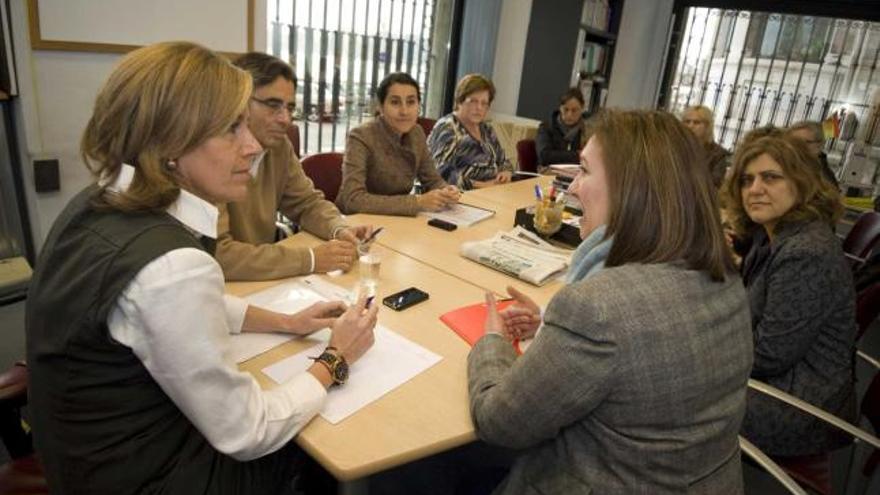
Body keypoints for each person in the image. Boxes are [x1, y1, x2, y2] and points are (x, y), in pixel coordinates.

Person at [25, 42, 378, 494]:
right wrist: (337, 358)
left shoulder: (98, 201)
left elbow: (162, 311)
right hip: (148, 478)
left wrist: (284, 321)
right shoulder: (174, 267)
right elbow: (248, 430)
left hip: (83, 457)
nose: (252, 146)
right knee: (324, 451)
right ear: (171, 139)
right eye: (232, 129)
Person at [468, 110, 753, 494]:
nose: (570, 189)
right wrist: (555, 331)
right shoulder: (725, 279)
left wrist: (493, 343)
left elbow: (499, 422)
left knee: (419, 473)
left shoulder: (597, 309)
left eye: (583, 171)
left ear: (628, 189)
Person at [723, 135, 857, 466]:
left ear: (801, 182)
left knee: (663, 397)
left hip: (797, 407)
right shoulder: (774, 236)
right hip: (773, 387)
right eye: (747, 180)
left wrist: (704, 353)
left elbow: (769, 356)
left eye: (770, 177)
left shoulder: (805, 253)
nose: (755, 189)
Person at [216, 52, 371, 281]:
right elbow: (219, 255)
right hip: (225, 289)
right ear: (239, 101)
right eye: (273, 105)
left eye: (289, 108)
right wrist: (310, 259)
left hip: (265, 281)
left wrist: (339, 229)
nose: (285, 119)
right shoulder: (210, 155)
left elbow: (306, 203)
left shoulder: (279, 147)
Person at [336, 72, 460, 215]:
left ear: (419, 105)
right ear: (381, 107)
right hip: (357, 221)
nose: (404, 111)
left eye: (411, 102)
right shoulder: (361, 136)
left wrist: (446, 191)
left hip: (398, 220)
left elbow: (432, 180)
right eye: (395, 102)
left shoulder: (416, 133)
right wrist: (418, 202)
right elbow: (353, 200)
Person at [427, 74, 513, 190]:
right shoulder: (448, 127)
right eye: (473, 101)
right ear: (459, 101)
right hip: (458, 197)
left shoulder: (487, 130)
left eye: (484, 103)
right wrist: (483, 186)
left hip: (492, 192)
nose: (479, 108)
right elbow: (439, 172)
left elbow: (503, 160)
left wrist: (506, 172)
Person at [535, 87, 590, 169]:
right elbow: (544, 156)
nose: (569, 115)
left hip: (576, 175)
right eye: (566, 109)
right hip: (548, 174)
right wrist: (577, 155)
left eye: (574, 110)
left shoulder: (586, 130)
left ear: (582, 109)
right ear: (560, 108)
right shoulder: (546, 127)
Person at [682, 105, 730, 188]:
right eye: (687, 121)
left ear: (707, 126)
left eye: (696, 122)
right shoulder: (674, 145)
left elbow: (714, 183)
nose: (690, 126)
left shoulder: (718, 155)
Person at [787, 120, 839, 187]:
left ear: (820, 144)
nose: (797, 146)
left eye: (804, 142)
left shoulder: (822, 179)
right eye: (793, 142)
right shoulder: (788, 166)